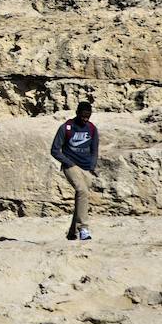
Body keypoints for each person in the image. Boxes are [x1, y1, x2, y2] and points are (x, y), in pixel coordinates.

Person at [51, 101, 99, 241]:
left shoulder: (91, 128)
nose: (85, 119)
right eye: (83, 116)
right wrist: (68, 162)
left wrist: (92, 166)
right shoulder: (66, 127)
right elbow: (55, 150)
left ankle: (72, 232)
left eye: (88, 116)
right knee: (82, 191)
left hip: (86, 168)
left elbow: (95, 149)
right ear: (77, 113)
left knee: (81, 198)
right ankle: (83, 229)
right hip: (70, 165)